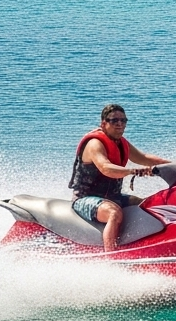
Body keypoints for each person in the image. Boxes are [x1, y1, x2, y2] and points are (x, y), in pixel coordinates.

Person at [69, 104, 170, 252]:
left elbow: (144, 158)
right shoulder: (94, 144)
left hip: (112, 196)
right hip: (85, 198)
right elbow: (105, 167)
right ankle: (111, 256)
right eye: (114, 120)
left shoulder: (121, 143)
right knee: (114, 213)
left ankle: (151, 242)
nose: (120, 124)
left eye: (123, 121)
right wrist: (131, 171)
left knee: (147, 204)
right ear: (104, 123)